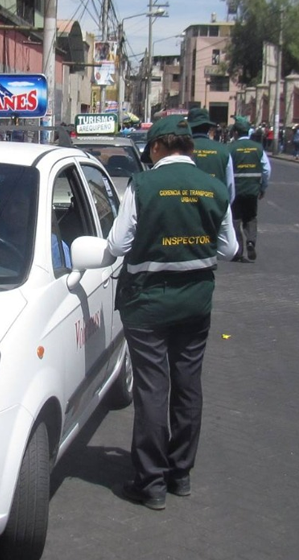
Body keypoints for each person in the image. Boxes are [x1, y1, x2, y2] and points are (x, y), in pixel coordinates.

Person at [107, 114, 237, 510]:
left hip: (147, 302)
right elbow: (230, 249)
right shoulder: (214, 187)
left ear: (158, 147)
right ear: (190, 148)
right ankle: (180, 474)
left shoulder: (144, 185)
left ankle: (150, 482)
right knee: (188, 385)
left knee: (152, 388)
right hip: (195, 302)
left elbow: (117, 244)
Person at [228, 116, 270, 263]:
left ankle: (238, 251)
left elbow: (227, 169)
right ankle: (251, 241)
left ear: (235, 133)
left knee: (235, 219)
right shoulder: (258, 148)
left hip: (236, 190)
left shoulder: (231, 148)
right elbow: (266, 170)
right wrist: (263, 187)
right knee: (251, 217)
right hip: (253, 189)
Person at [187, 107, 235, 197]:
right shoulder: (223, 151)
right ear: (209, 128)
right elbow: (230, 187)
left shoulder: (180, 149)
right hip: (215, 201)